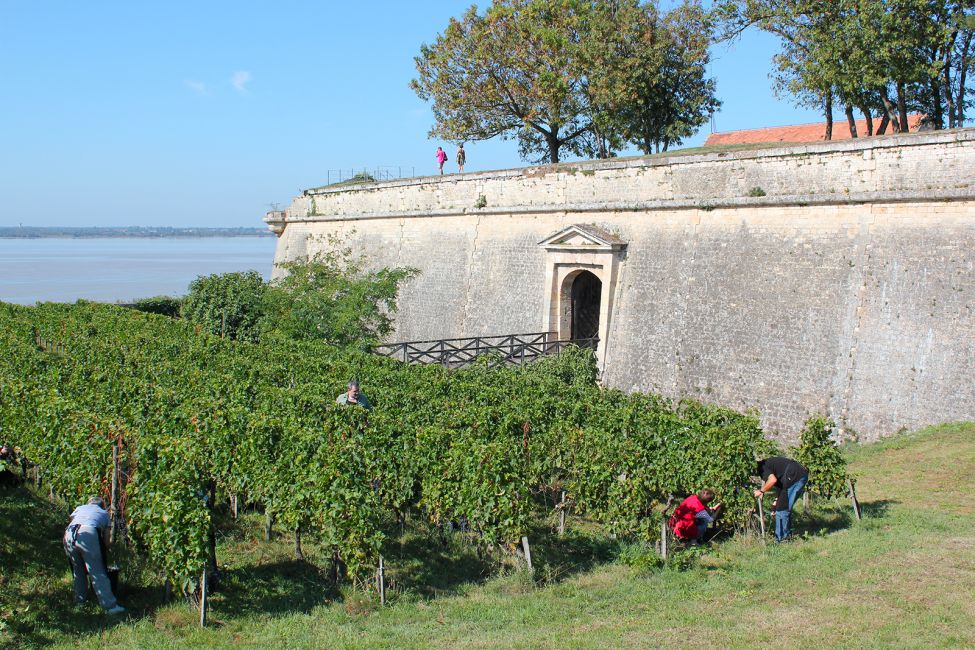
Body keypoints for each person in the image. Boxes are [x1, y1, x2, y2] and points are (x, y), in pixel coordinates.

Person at [63, 496, 125, 614]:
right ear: (103, 505)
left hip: (69, 533)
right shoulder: (104, 513)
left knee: (78, 571)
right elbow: (106, 539)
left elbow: (71, 520)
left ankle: (80, 602)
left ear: (89, 503)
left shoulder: (79, 508)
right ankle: (110, 606)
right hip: (88, 533)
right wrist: (107, 549)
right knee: (97, 571)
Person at [754, 456, 809, 542]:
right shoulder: (768, 464)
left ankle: (782, 539)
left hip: (794, 475)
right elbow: (780, 484)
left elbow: (772, 480)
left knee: (782, 509)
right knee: (781, 506)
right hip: (797, 474)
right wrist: (776, 500)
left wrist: (761, 491)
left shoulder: (762, 467)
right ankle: (786, 536)